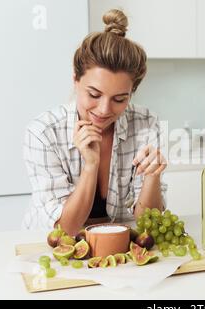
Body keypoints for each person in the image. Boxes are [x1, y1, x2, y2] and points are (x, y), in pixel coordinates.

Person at [22, 9, 167, 235]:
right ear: (75, 80)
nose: (104, 110)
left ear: (132, 93)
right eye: (94, 94)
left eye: (120, 99)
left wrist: (152, 176)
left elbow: (151, 224)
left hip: (117, 250)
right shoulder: (43, 133)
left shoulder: (146, 123)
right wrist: (90, 166)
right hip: (49, 247)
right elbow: (65, 230)